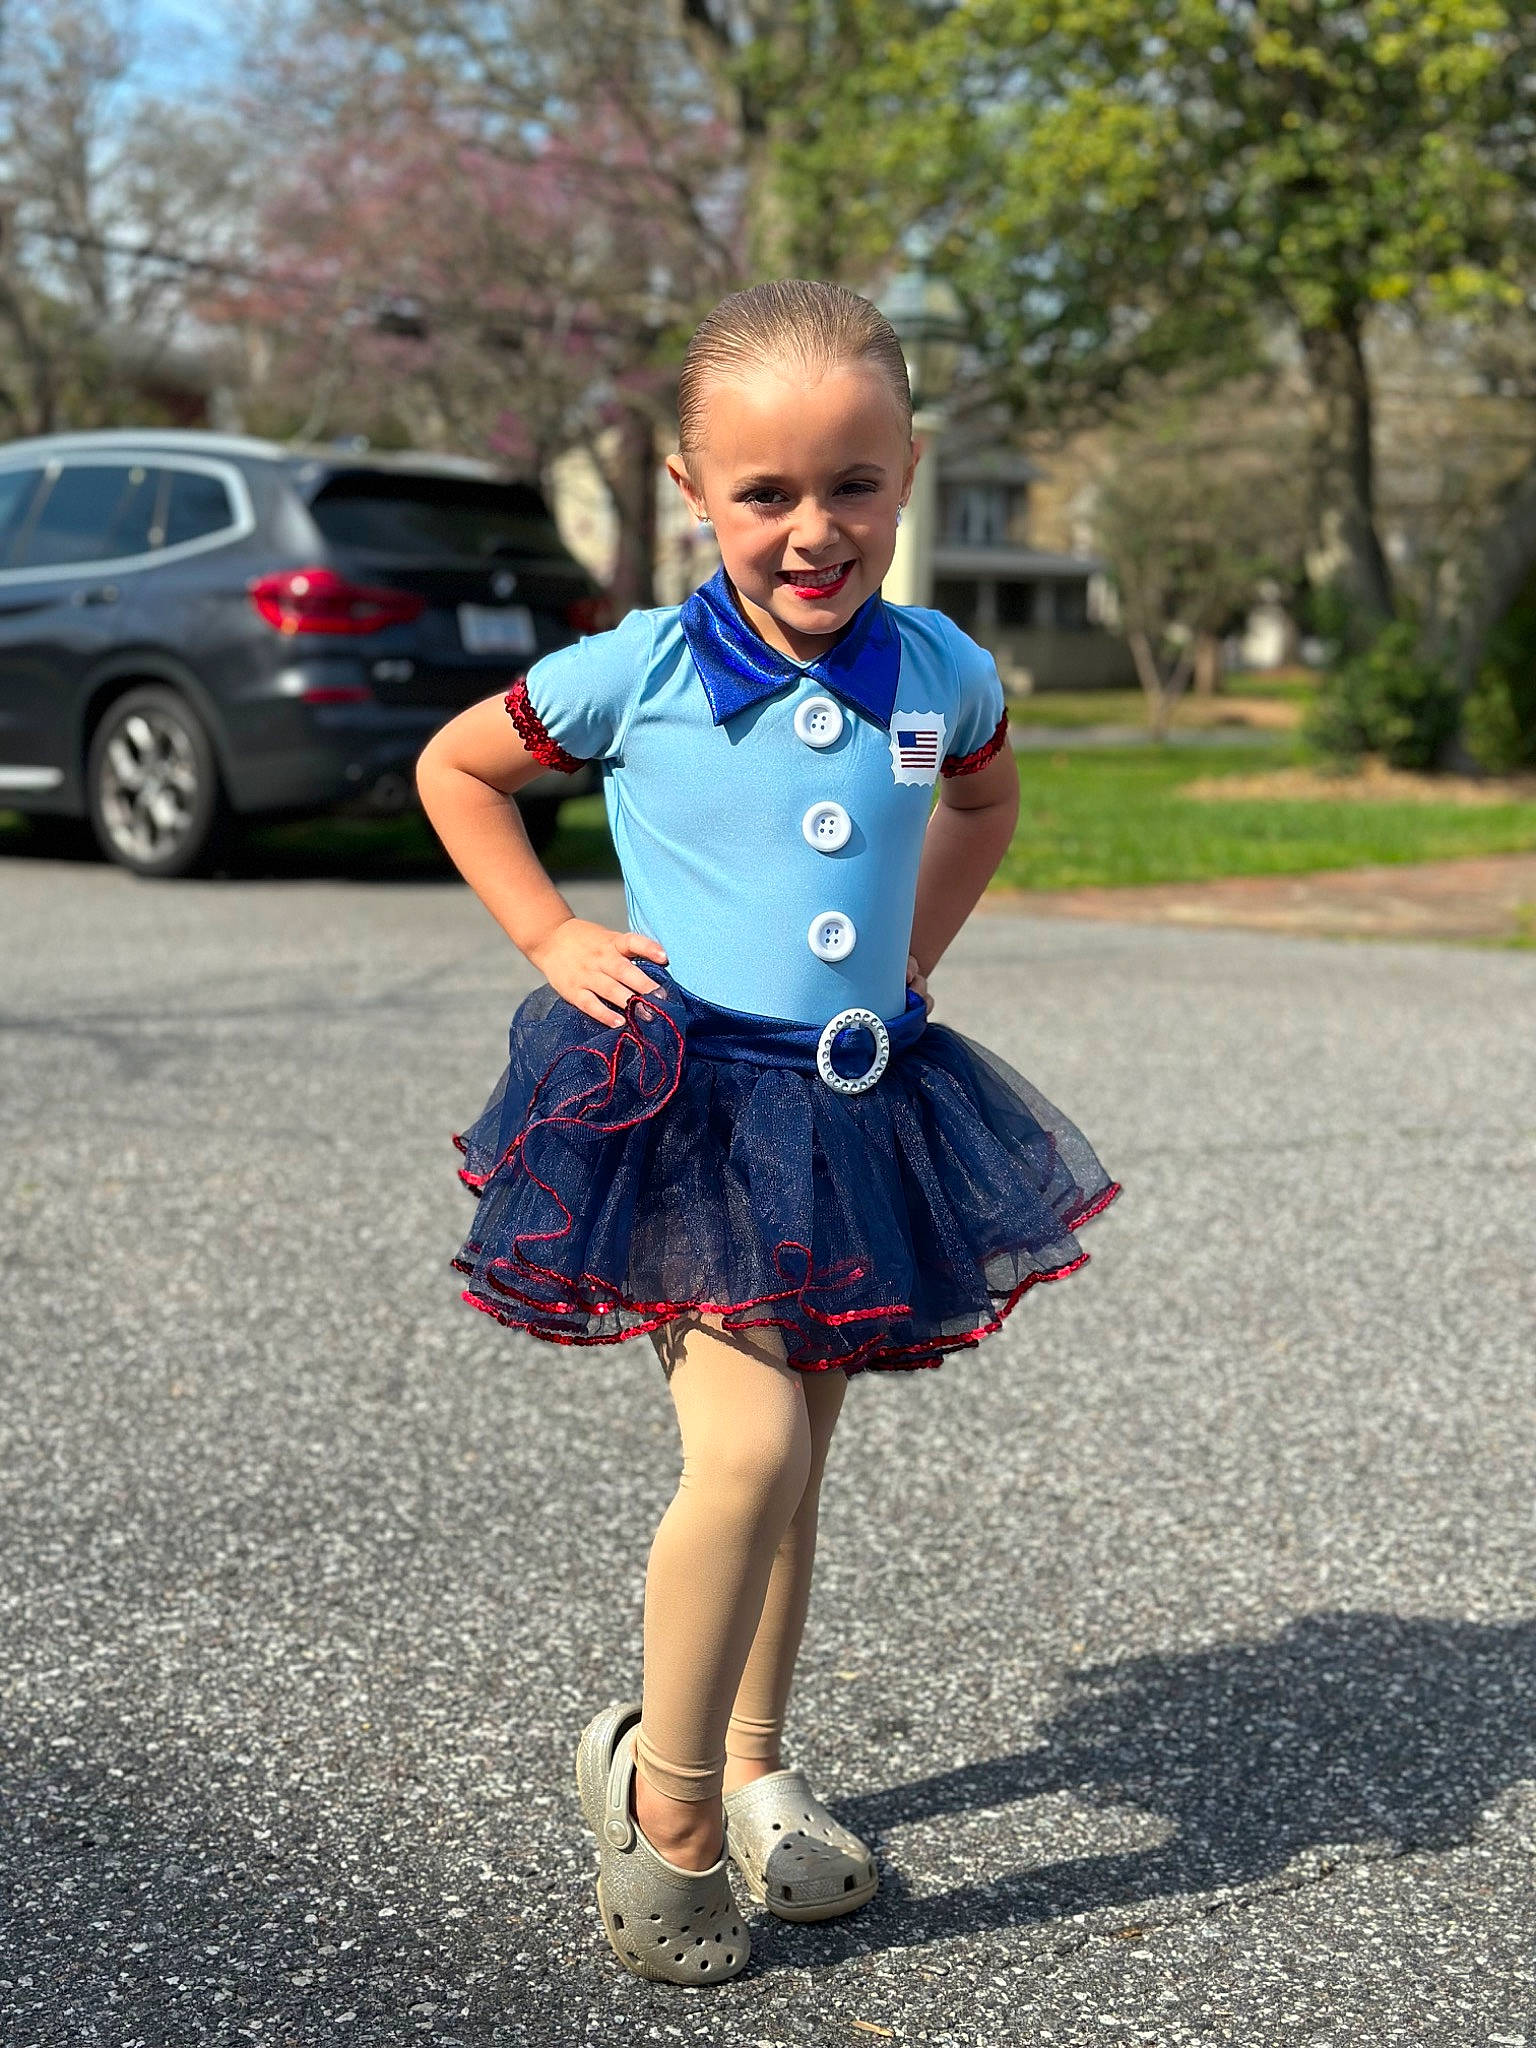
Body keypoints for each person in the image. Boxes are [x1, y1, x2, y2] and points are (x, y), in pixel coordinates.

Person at [415, 279, 1119, 1986]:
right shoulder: (641, 671)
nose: (815, 529)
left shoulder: (942, 665)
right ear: (691, 490)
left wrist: (913, 954)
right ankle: (658, 1800)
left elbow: (985, 795)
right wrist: (551, 934)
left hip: (860, 1109)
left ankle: (753, 1768)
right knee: (743, 1458)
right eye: (766, 492)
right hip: (690, 1112)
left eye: (855, 484)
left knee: (797, 1469)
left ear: (911, 469)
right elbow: (456, 769)